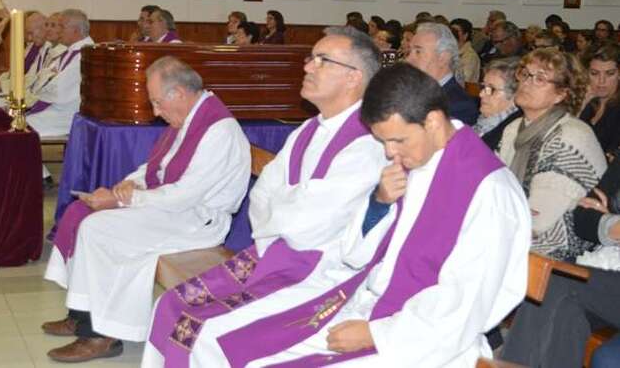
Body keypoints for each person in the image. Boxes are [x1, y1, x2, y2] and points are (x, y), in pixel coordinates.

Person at [148, 63, 530, 367]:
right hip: (366, 304)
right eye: (384, 142)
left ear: (432, 121)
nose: (390, 153)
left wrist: (375, 334)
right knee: (234, 348)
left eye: (397, 140)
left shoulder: (488, 191)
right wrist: (380, 202)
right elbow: (357, 253)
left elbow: (465, 304)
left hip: (423, 342)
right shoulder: (417, 159)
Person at [141, 26, 389, 367]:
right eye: (311, 58)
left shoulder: (368, 142)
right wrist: (286, 209)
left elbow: (311, 224)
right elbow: (262, 194)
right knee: (170, 305)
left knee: (205, 333)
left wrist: (283, 209)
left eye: (322, 60)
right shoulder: (309, 129)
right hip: (273, 250)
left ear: (353, 77)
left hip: (321, 272)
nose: (308, 66)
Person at [42, 57, 251, 362]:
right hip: (177, 212)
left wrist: (125, 200)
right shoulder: (191, 118)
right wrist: (131, 184)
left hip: (197, 221)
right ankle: (83, 316)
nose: (155, 111)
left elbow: (185, 196)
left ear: (178, 93)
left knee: (99, 228)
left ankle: (102, 335)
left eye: (156, 102)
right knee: (85, 215)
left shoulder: (218, 131)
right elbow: (159, 166)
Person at [501, 158, 620, 368]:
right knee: (567, 314)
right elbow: (583, 219)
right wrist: (611, 225)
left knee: (556, 277)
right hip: (608, 269)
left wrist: (609, 222)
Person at [498, 48, 606, 261]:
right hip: (515, 236)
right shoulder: (513, 129)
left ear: (561, 94)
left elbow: (538, 221)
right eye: (525, 74)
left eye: (540, 78)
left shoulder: (570, 135)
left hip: (559, 254)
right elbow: (492, 189)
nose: (527, 82)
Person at [25, 9, 95, 138]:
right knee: (17, 122)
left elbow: (58, 89)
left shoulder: (86, 54)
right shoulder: (71, 50)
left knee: (22, 126)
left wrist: (34, 100)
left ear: (75, 31)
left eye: (61, 27)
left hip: (69, 114)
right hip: (57, 107)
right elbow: (43, 77)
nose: (58, 31)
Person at [406, 22, 479, 125]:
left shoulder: (459, 106)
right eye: (409, 51)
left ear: (443, 58)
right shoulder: (409, 91)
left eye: (418, 52)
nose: (408, 59)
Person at [473, 57, 522, 152]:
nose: (481, 94)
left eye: (491, 89)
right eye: (483, 87)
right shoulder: (482, 122)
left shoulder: (512, 135)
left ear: (514, 94)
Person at [580, 44, 620, 153]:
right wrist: (581, 106)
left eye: (610, 73)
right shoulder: (588, 102)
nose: (601, 81)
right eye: (594, 73)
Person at [450, 17, 481, 83]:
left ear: (465, 35)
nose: (452, 34)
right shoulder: (449, 51)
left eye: (455, 31)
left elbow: (463, 80)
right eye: (451, 31)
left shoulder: (470, 56)